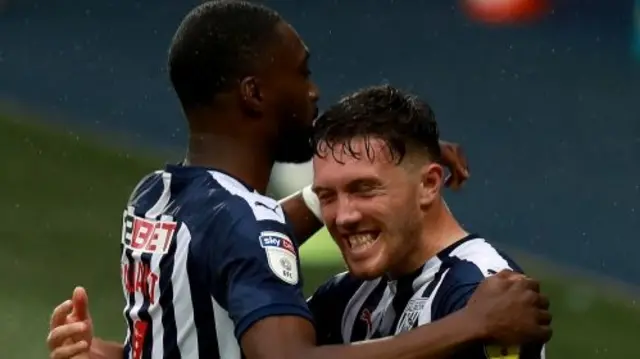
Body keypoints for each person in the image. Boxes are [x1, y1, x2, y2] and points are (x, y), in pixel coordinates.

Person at [45, 1, 551, 359]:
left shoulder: (157, 196)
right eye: (303, 72)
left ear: (429, 182)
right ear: (254, 94)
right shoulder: (454, 304)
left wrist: (397, 163)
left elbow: (231, 253)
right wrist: (471, 325)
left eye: (362, 187)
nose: (314, 92)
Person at [307, 85, 549, 358]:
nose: (343, 216)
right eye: (326, 196)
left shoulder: (481, 294)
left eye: (364, 189)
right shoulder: (349, 295)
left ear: (428, 184)